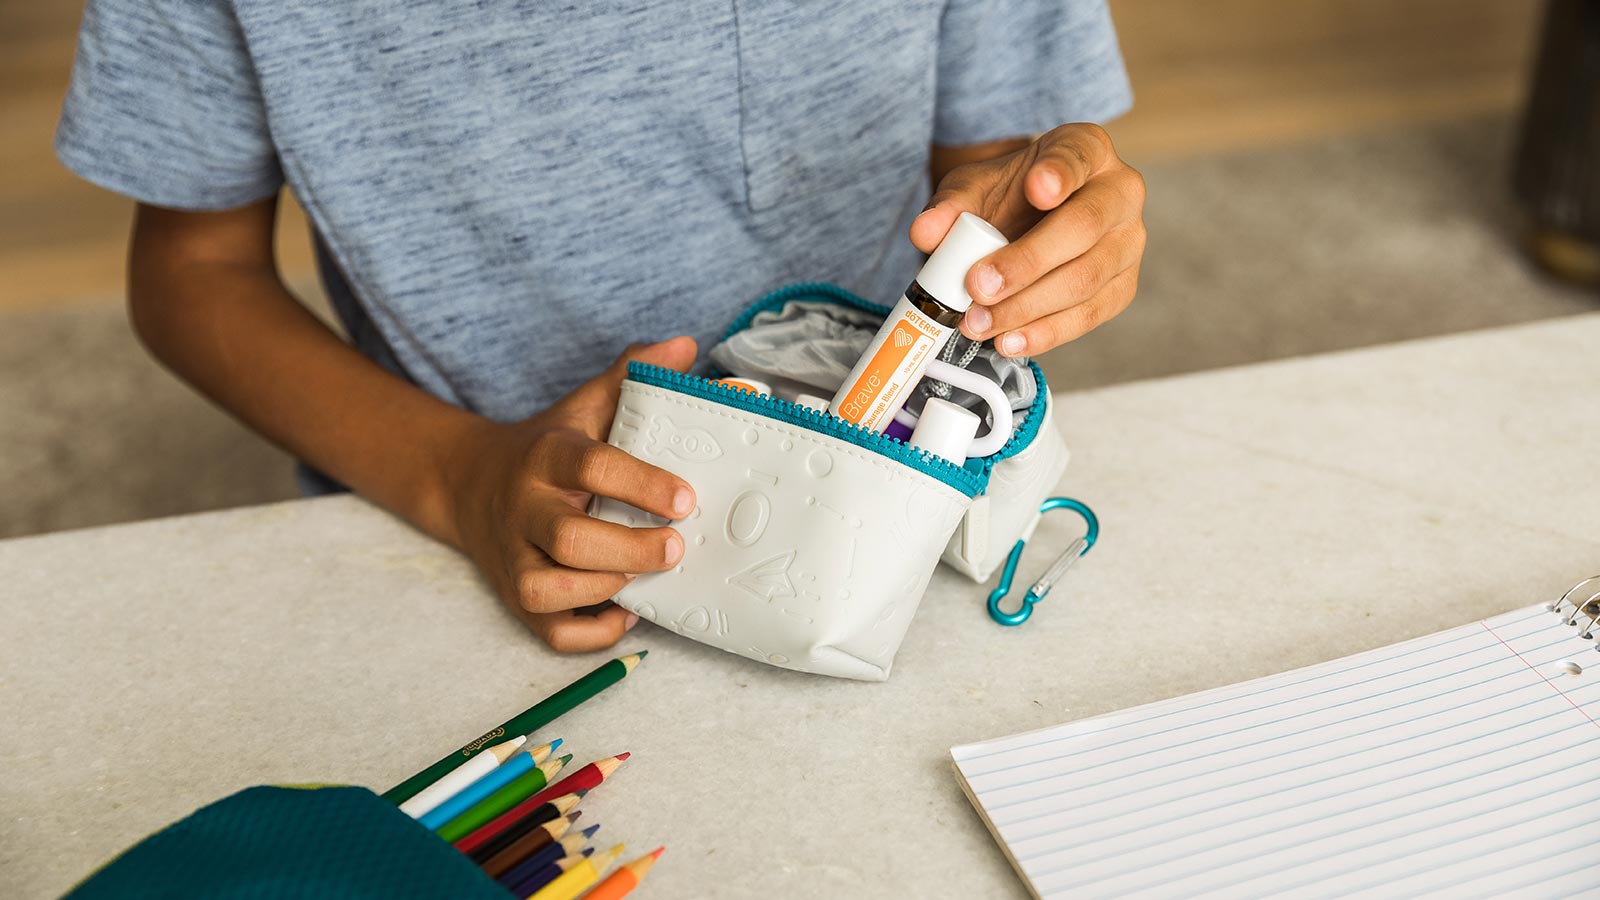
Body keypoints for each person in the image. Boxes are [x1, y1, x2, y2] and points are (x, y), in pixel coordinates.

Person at [56, 0, 1146, 652]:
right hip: (465, 531)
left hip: (887, 524)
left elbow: (998, 164)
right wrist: (456, 477)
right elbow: (193, 270)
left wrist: (1049, 218)